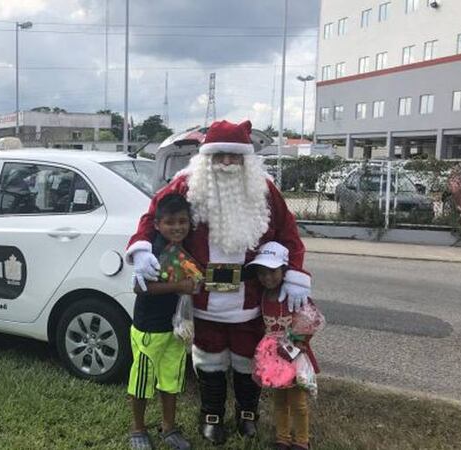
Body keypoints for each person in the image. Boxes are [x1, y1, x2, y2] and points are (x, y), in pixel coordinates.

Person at [126, 120, 311, 444]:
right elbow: (152, 215)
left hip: (251, 300)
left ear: (246, 159)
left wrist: (295, 273)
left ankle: (246, 414)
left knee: (246, 358)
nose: (226, 163)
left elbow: (289, 232)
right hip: (202, 297)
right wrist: (141, 248)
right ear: (206, 158)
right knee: (208, 357)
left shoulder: (264, 189)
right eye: (219, 156)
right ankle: (211, 416)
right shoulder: (187, 184)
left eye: (234, 156)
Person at [127, 193, 195, 450]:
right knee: (142, 381)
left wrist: (193, 285)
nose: (177, 227)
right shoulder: (151, 249)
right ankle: (138, 428)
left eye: (182, 221)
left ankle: (169, 427)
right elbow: (139, 287)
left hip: (174, 328)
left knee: (171, 380)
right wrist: (179, 285)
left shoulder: (184, 249)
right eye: (170, 222)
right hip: (149, 328)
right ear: (157, 224)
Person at [246, 242, 320, 450]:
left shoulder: (295, 296)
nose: (267, 277)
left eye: (273, 272)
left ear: (284, 270)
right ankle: (283, 438)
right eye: (262, 273)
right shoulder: (263, 297)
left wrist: (298, 342)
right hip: (273, 359)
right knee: (279, 400)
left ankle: (302, 441)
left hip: (294, 356)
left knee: (298, 402)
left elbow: (312, 321)